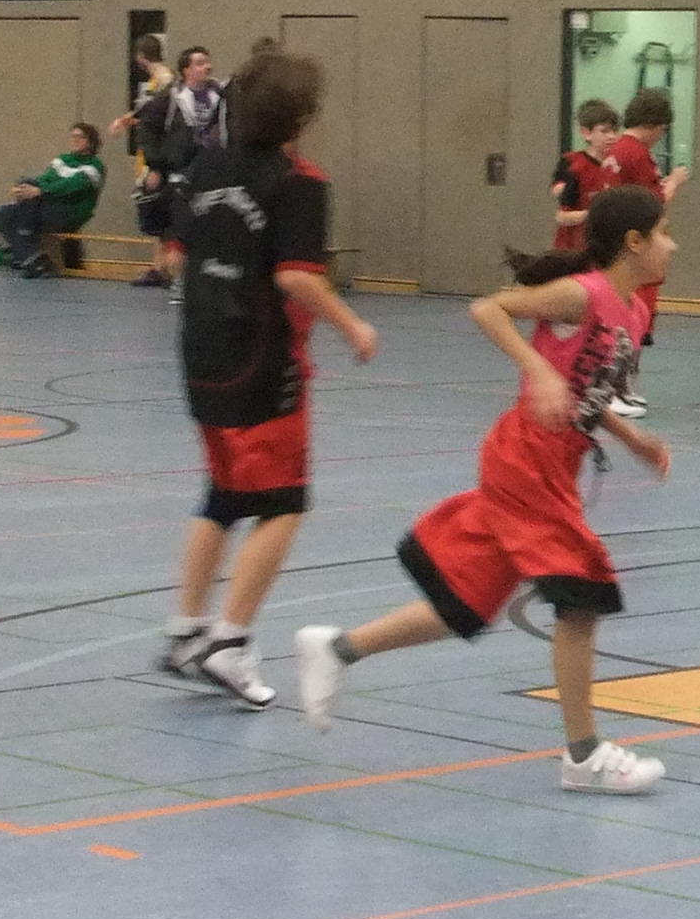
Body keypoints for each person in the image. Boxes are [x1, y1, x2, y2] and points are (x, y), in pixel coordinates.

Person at [293, 186, 672, 795]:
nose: (672, 246)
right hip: (524, 459)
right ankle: (583, 755)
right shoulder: (582, 294)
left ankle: (337, 649)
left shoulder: (635, 314)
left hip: (556, 467)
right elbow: (489, 309)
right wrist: (537, 367)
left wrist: (632, 438)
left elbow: (587, 391)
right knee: (582, 596)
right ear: (634, 242)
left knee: (465, 605)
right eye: (664, 233)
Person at [156, 51, 378, 707]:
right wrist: (353, 325)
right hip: (263, 360)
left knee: (224, 496)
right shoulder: (299, 182)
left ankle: (186, 630)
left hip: (201, 352)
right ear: (302, 116)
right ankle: (230, 641)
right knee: (283, 502)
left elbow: (173, 259)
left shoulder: (206, 167)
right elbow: (297, 277)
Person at [601, 88, 686, 416]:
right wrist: (674, 182)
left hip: (620, 244)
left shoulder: (617, 151)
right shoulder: (636, 154)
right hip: (633, 251)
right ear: (655, 125)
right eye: (662, 130)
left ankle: (622, 387)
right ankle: (613, 388)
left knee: (629, 318)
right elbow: (651, 203)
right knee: (629, 321)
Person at [141, 47, 227, 302]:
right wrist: (155, 165)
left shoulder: (222, 96)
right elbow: (148, 128)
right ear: (186, 70)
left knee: (214, 228)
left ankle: (212, 282)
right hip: (180, 173)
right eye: (199, 63)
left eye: (207, 62)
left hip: (215, 172)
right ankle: (180, 282)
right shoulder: (171, 98)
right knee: (180, 230)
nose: (207, 67)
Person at [0, 123, 104, 278]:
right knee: (4, 213)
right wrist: (25, 189)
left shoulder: (95, 166)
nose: (75, 140)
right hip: (45, 205)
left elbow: (71, 186)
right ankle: (35, 259)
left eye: (80, 137)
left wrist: (41, 191)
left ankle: (25, 250)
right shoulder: (62, 160)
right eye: (73, 136)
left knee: (24, 214)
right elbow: (44, 179)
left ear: (91, 141)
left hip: (69, 212)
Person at [112, 33, 174, 286]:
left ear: (140, 57)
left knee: (159, 212)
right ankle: (159, 267)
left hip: (157, 156)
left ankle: (164, 268)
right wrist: (127, 120)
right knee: (154, 212)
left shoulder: (164, 80)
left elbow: (154, 115)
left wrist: (154, 164)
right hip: (147, 154)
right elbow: (145, 113)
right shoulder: (154, 82)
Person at [551, 99, 620, 252]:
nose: (611, 136)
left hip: (602, 247)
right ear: (586, 133)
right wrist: (592, 214)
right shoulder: (575, 166)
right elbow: (561, 216)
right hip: (574, 249)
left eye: (614, 131)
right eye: (604, 131)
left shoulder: (615, 167)